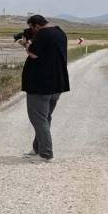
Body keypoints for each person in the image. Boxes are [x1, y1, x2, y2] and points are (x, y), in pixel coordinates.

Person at [17, 14, 70, 160]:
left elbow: (33, 54)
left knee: (39, 119)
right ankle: (37, 149)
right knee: (45, 118)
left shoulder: (43, 34)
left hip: (41, 85)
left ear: (36, 25)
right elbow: (48, 53)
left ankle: (46, 153)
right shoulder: (59, 32)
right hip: (57, 84)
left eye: (31, 27)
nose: (30, 30)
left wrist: (25, 44)